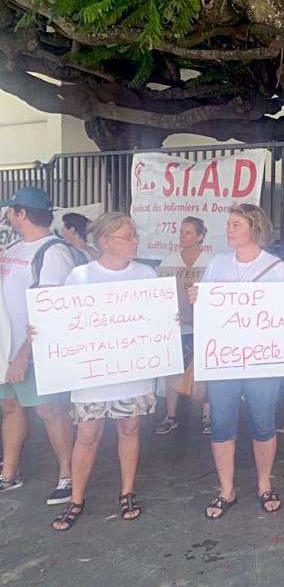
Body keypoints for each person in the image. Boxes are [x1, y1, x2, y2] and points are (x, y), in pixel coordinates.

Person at [50, 213, 159, 531]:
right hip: (92, 373)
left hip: (132, 371)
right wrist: (42, 331)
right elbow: (63, 322)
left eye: (135, 234)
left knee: (129, 429)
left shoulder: (146, 275)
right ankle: (76, 499)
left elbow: (156, 319)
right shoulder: (80, 277)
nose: (136, 240)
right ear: (107, 241)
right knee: (87, 434)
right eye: (129, 235)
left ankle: (127, 492)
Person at [189, 204, 284, 518]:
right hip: (224, 361)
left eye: (236, 224)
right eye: (228, 224)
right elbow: (205, 308)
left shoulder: (276, 269)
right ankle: (226, 489)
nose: (229, 230)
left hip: (262, 362)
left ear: (254, 228)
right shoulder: (217, 263)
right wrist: (196, 299)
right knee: (221, 423)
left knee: (263, 421)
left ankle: (264, 483)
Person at [0, 188, 75, 504]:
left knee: (49, 410)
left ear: (22, 214)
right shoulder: (13, 247)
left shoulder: (53, 253)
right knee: (10, 405)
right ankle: (9, 472)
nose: (7, 216)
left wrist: (23, 354)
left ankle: (68, 474)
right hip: (6, 348)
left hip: (33, 351)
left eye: (11, 211)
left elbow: (49, 311)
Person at [155, 217, 212, 435]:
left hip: (202, 328)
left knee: (204, 371)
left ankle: (207, 416)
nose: (182, 236)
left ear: (200, 236)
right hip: (176, 327)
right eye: (181, 232)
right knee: (172, 371)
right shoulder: (168, 261)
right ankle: (171, 416)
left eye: (188, 232)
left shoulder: (211, 262)